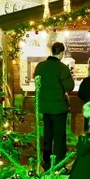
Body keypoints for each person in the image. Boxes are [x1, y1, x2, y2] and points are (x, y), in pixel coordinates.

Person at [33, 41, 74, 171]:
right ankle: (58, 165)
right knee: (59, 137)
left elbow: (38, 83)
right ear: (61, 53)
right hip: (58, 109)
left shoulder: (40, 66)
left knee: (47, 135)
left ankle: (46, 163)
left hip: (45, 107)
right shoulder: (62, 67)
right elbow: (69, 87)